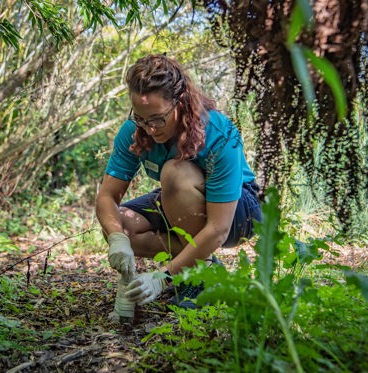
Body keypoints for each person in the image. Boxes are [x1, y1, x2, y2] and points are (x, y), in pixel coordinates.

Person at [96, 54, 261, 316]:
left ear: (180, 102)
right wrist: (117, 238)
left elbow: (219, 228)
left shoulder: (219, 132)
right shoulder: (134, 130)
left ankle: (197, 276)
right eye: (141, 118)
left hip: (240, 210)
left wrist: (163, 277)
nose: (149, 129)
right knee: (122, 224)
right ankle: (204, 267)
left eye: (158, 119)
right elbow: (107, 195)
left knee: (174, 172)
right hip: (183, 201)